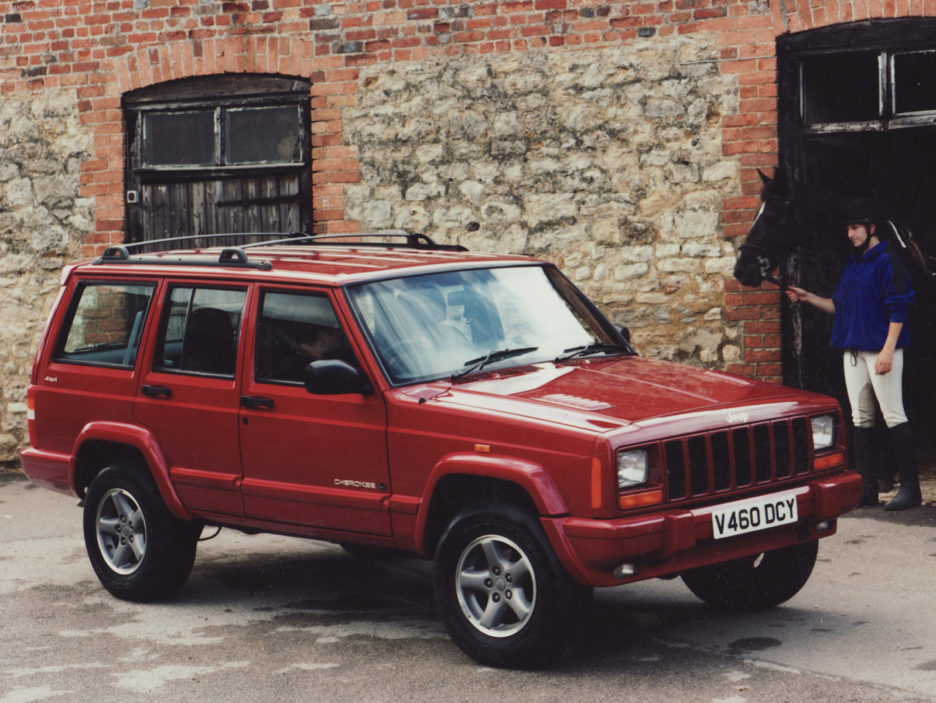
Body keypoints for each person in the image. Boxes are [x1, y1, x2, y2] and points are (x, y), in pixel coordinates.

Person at [786, 197, 921, 510]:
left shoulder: (888, 258)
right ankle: (867, 488)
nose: (850, 234)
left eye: (856, 227)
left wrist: (888, 349)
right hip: (854, 352)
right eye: (848, 228)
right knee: (861, 418)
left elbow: (900, 305)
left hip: (882, 351)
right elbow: (839, 306)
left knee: (893, 414)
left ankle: (912, 488)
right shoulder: (852, 263)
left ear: (871, 227)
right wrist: (808, 298)